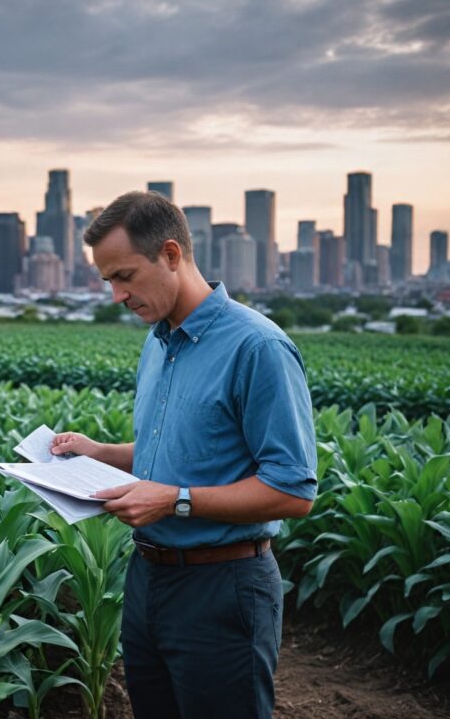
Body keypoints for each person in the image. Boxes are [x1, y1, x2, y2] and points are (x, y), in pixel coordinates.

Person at [51, 191, 317, 719]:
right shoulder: (158, 342)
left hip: (223, 587)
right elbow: (178, 450)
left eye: (125, 276)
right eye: (108, 280)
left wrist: (175, 500)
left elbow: (293, 490)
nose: (116, 295)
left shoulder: (257, 347)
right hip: (148, 579)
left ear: (171, 254)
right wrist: (99, 452)